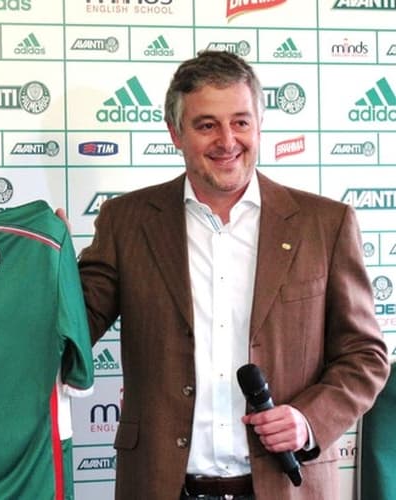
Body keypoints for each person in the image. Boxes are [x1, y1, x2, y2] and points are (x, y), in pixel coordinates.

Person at [76, 50, 390, 499]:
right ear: (175, 133)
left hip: (287, 487)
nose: (227, 140)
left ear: (259, 126)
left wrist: (307, 420)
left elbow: (365, 356)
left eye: (241, 122)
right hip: (162, 487)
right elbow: (74, 325)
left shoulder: (325, 224)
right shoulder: (126, 221)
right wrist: (41, 260)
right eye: (207, 125)